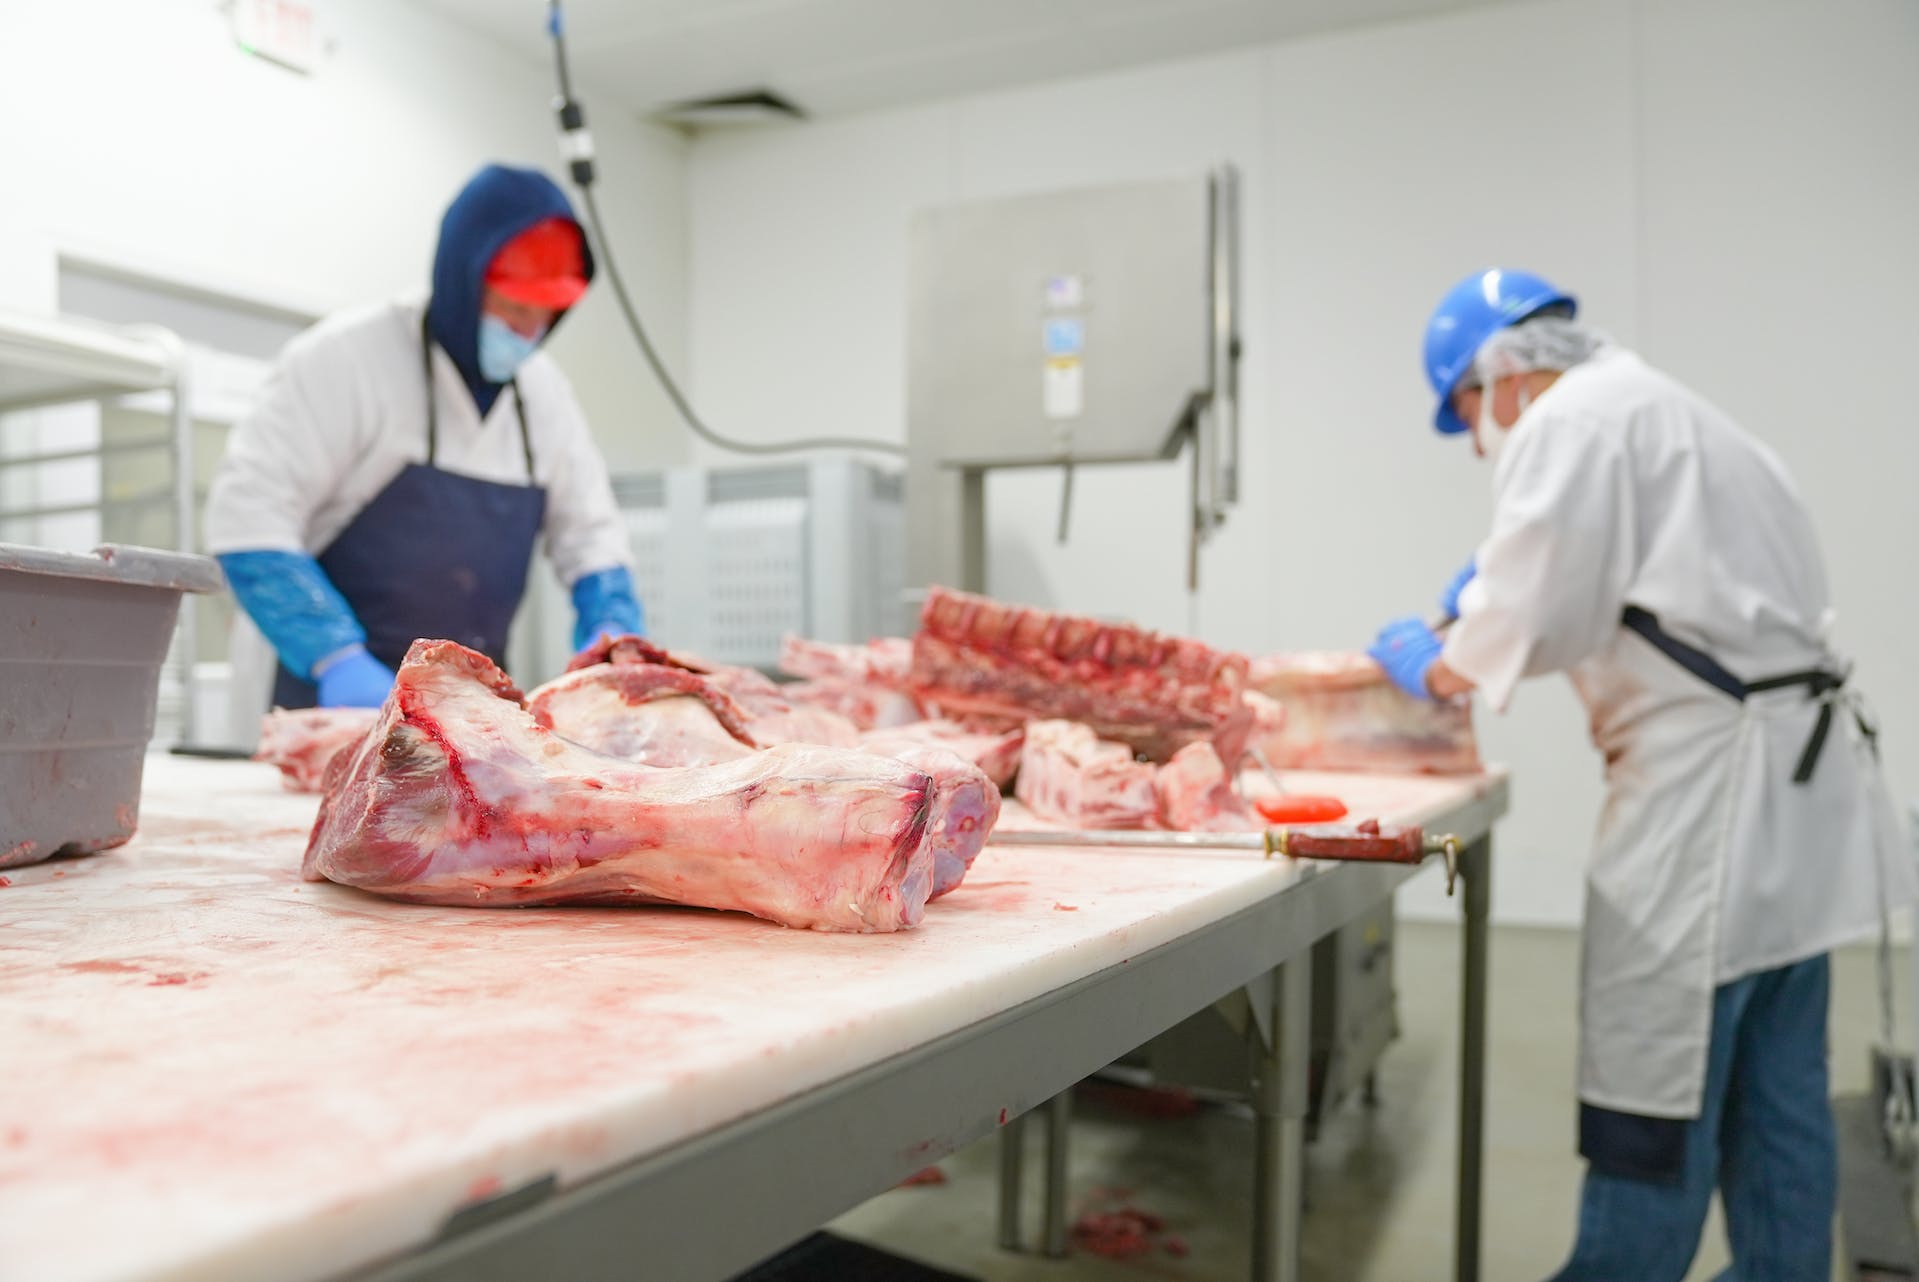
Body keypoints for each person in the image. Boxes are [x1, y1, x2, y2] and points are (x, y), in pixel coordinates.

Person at [1369, 268, 1913, 1279]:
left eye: (1468, 415)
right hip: (1793, 811)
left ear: (1498, 375)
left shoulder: (1568, 423)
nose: (1483, 441)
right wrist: (1490, 586)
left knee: (1649, 1110)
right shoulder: (1668, 411)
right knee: (1779, 1103)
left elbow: (1534, 620)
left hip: (1701, 811)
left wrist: (1435, 655)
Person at [205, 163, 642, 712]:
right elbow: (248, 522)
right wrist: (337, 660)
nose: (529, 332)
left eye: (546, 314)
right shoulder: (346, 360)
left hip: (466, 720)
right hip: (322, 706)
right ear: (464, 282)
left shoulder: (545, 395)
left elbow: (592, 536)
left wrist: (612, 627)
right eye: (513, 307)